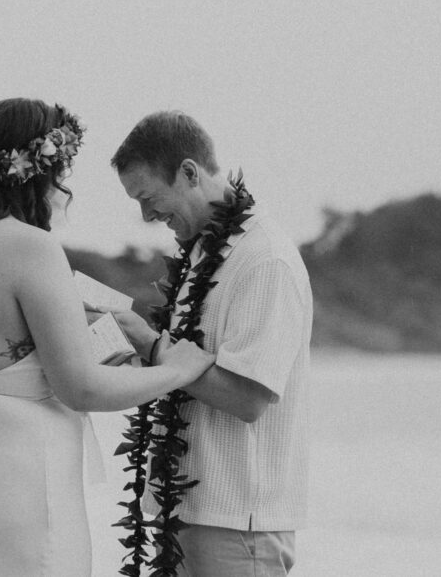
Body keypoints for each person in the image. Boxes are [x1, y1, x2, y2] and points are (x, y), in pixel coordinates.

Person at [0, 98, 214, 577]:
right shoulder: (32, 247)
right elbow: (80, 389)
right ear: (44, 171)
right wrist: (177, 370)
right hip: (17, 490)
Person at [103, 110, 312, 576]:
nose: (146, 215)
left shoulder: (264, 259)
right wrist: (136, 359)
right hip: (185, 511)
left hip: (237, 522)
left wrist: (155, 348)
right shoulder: (203, 252)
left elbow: (249, 396)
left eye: (148, 197)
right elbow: (189, 370)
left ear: (189, 173)